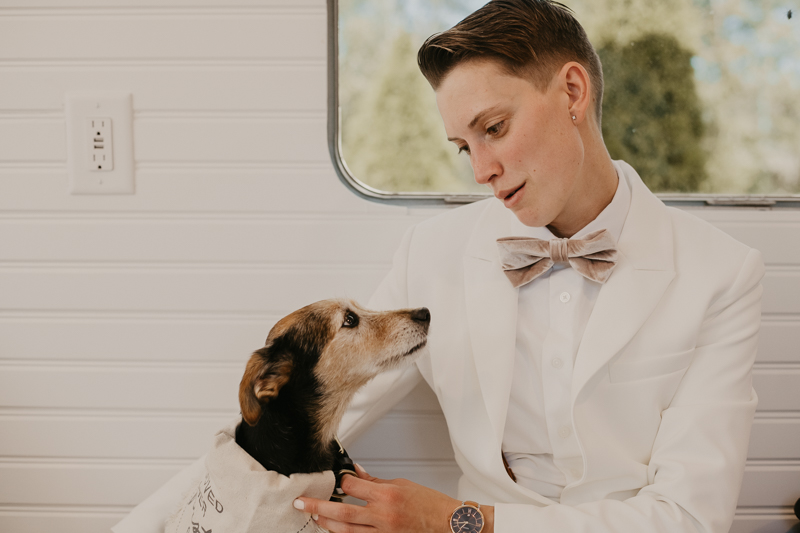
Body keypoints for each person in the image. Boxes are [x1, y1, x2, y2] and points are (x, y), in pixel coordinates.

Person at [112, 1, 763, 532]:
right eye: (463, 147)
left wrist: (458, 519)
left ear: (572, 91)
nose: (482, 172)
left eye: (496, 128)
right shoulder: (435, 254)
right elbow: (295, 417)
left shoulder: (721, 274)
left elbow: (689, 517)